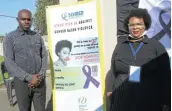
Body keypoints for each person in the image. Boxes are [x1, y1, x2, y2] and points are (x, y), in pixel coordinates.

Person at [108, 8, 171, 111]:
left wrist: (166, 101)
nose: (135, 27)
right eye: (132, 25)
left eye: (139, 24)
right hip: (121, 99)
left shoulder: (156, 46)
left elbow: (165, 76)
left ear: (145, 25)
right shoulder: (120, 46)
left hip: (147, 100)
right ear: (127, 27)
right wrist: (110, 89)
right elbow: (113, 70)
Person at [3, 9, 47, 111]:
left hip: (39, 80)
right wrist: (29, 77)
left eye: (29, 19)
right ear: (17, 20)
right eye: (23, 19)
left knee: (41, 109)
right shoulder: (10, 38)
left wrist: (41, 75)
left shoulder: (37, 36)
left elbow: (44, 55)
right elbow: (9, 62)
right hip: (22, 82)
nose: (27, 21)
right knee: (24, 109)